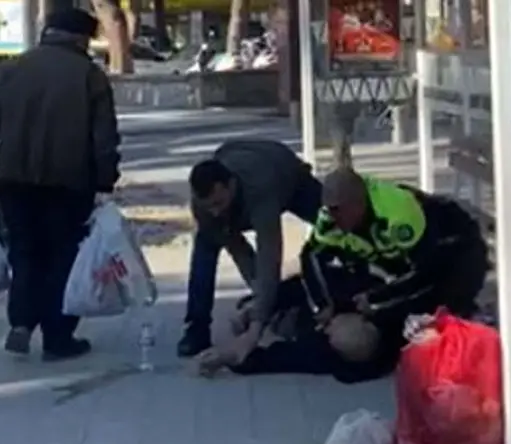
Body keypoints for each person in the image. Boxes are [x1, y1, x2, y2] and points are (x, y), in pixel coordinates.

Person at [0, 8, 121, 361]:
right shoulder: (89, 76)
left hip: (14, 180)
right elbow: (104, 138)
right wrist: (106, 181)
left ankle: (21, 322)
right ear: (81, 38)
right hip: (68, 182)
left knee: (25, 252)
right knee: (63, 257)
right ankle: (58, 337)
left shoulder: (12, 69)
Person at [178, 140, 323, 358]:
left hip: (287, 175)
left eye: (218, 203)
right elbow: (239, 250)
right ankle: (196, 329)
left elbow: (269, 253)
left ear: (231, 186)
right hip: (238, 155)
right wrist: (262, 302)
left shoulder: (259, 188)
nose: (215, 212)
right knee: (204, 248)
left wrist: (258, 318)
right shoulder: (204, 207)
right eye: (209, 206)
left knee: (334, 221)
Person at [301, 167, 488, 324]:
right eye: (329, 209)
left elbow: (425, 271)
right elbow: (310, 256)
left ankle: (466, 312)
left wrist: (376, 299)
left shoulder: (398, 216)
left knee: (431, 305)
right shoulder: (330, 221)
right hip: (405, 254)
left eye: (338, 210)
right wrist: (323, 304)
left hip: (456, 243)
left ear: (358, 203)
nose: (334, 217)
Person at [197, 273, 406, 383]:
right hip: (307, 301)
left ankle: (274, 316)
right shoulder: (354, 292)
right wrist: (258, 310)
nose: (326, 329)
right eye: (331, 327)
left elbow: (281, 360)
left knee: (292, 333)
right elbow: (305, 283)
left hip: (298, 325)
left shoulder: (327, 355)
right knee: (256, 307)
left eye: (328, 334)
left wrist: (231, 359)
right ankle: (257, 308)